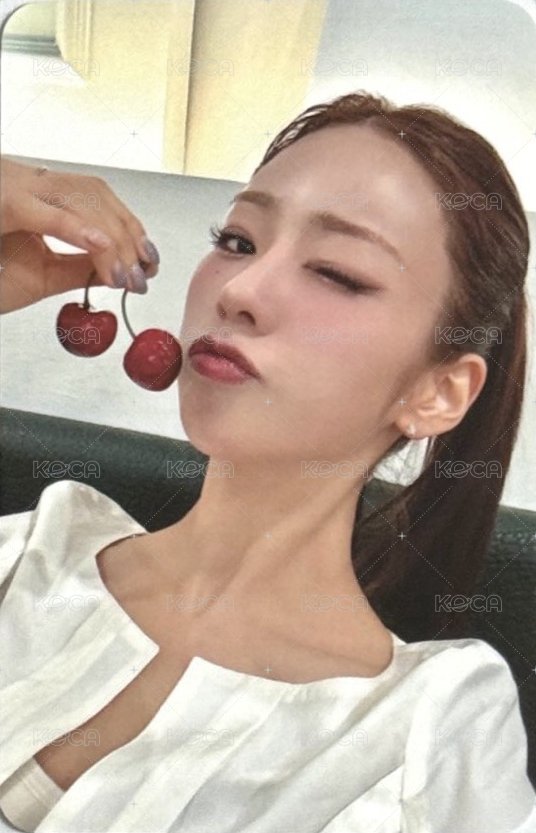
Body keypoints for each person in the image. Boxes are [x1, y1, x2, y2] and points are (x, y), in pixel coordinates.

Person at [0, 90, 535, 832]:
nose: (240, 290)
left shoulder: (429, 737)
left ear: (439, 392)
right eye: (238, 241)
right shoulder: (29, 557)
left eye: (338, 273)